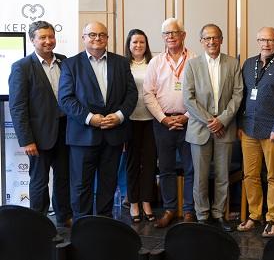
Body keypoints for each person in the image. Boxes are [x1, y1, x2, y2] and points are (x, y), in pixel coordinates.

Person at [58, 22, 137, 220]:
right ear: (83, 38)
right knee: (81, 185)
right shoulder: (70, 64)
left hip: (113, 134)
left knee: (108, 183)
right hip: (83, 135)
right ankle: (82, 226)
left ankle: (104, 224)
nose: (97, 38)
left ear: (107, 39)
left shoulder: (121, 63)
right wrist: (89, 118)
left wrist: (119, 116)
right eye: (92, 34)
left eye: (102, 35)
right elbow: (65, 99)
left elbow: (131, 94)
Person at [8, 20, 72, 227]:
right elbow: (18, 107)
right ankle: (38, 222)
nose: (47, 41)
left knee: (63, 179)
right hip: (39, 135)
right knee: (39, 181)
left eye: (50, 37)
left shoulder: (65, 62)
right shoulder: (22, 67)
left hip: (66, 132)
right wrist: (27, 140)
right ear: (32, 40)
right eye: (42, 37)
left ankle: (63, 217)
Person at [236, 27, 274, 237]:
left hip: (273, 130)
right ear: (257, 41)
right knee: (250, 175)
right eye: (262, 39)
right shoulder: (248, 63)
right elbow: (241, 95)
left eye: (270, 40)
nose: (266, 44)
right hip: (249, 128)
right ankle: (254, 215)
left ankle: (273, 218)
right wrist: (238, 125)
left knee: (273, 176)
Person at [183, 24, 243, 232]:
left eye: (215, 38)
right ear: (201, 41)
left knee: (222, 175)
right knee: (199, 175)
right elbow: (188, 99)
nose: (211, 42)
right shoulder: (192, 65)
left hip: (225, 128)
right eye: (207, 38)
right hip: (200, 128)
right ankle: (202, 215)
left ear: (221, 39)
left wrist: (223, 120)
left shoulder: (233, 64)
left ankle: (219, 214)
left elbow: (238, 95)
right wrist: (211, 121)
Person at [143, 18, 196, 228]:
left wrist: (187, 116)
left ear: (183, 35)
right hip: (162, 122)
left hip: (190, 121)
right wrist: (164, 119)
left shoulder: (195, 60)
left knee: (191, 168)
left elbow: (202, 94)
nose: (170, 37)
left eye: (174, 33)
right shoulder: (155, 62)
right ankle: (170, 209)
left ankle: (189, 210)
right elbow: (148, 94)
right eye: (166, 34)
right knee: (165, 168)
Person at [124, 29, 156, 223]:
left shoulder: (154, 63)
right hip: (129, 120)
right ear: (129, 44)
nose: (138, 46)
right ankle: (134, 202)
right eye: (135, 42)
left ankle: (147, 202)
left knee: (150, 163)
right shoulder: (122, 65)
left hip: (152, 120)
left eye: (142, 42)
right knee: (132, 164)